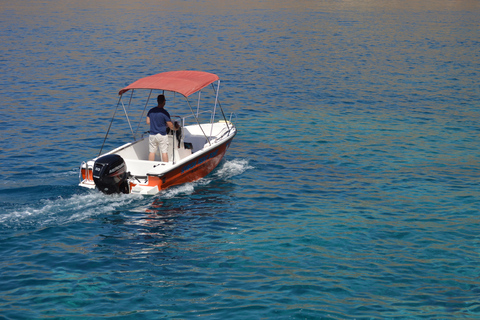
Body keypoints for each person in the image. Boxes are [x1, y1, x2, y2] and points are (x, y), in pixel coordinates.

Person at [146, 95, 177, 162]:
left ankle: (150, 166)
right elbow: (171, 126)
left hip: (152, 135)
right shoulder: (165, 113)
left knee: (152, 152)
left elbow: (148, 121)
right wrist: (176, 128)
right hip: (162, 135)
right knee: (164, 152)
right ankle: (165, 167)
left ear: (157, 101)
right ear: (164, 102)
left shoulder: (151, 111)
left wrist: (155, 123)